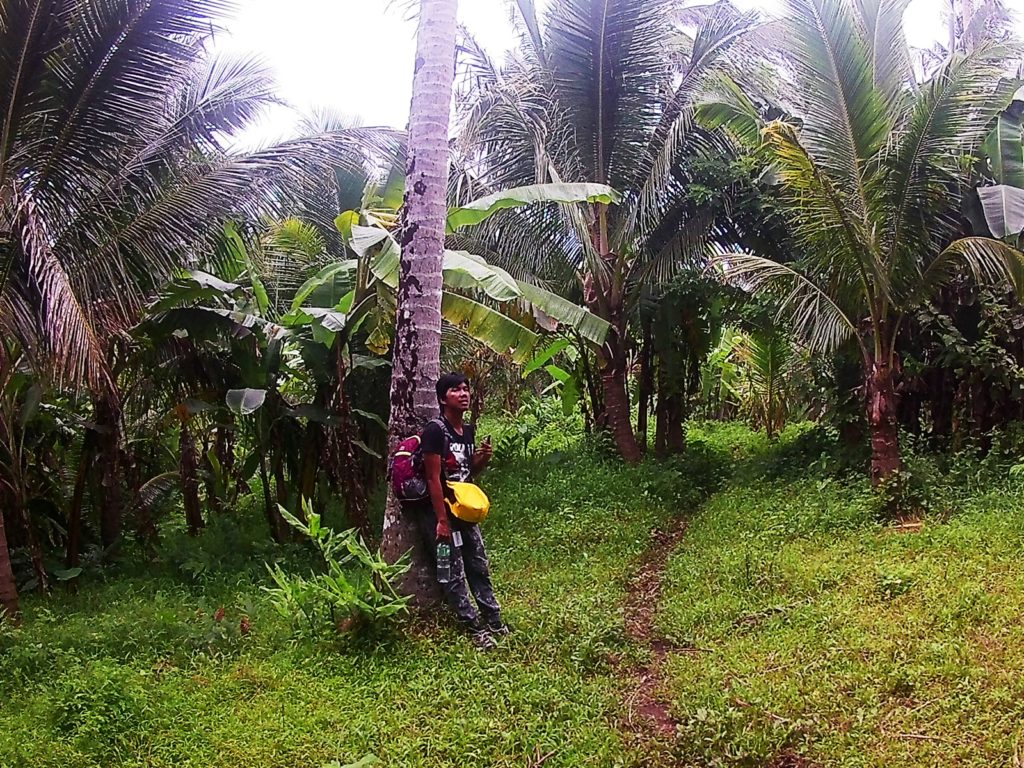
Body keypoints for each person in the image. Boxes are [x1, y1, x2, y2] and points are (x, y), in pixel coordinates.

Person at [411, 372, 509, 649]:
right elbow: (432, 478)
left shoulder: (466, 431)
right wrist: (441, 521)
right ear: (443, 398)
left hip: (463, 508)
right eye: (456, 390)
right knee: (451, 570)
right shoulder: (435, 430)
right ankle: (473, 628)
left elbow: (466, 473)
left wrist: (482, 459)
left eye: (466, 389)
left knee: (477, 564)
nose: (464, 394)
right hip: (439, 511)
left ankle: (494, 620)